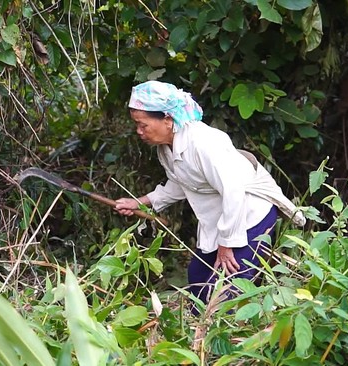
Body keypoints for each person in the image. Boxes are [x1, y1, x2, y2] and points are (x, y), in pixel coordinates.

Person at [114, 81, 305, 310]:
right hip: (220, 220)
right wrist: (139, 202)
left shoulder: (204, 143)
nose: (139, 131)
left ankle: (228, 333)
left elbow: (233, 191)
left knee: (227, 292)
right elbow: (180, 183)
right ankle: (199, 334)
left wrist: (227, 245)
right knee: (198, 278)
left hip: (249, 216)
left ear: (166, 119)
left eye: (142, 124)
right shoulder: (166, 148)